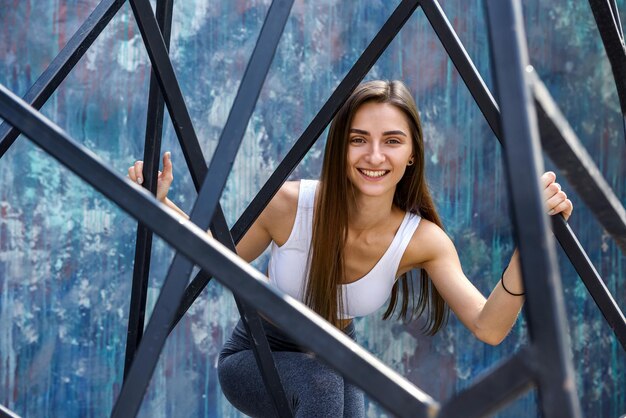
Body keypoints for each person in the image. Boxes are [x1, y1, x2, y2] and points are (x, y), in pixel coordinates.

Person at [127, 80, 573, 417]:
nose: (374, 156)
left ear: (413, 154)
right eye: (359, 139)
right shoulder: (289, 205)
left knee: (333, 391)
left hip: (338, 359)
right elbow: (212, 257)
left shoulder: (421, 240)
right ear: (342, 148)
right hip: (256, 355)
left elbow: (489, 327)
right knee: (323, 388)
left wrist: (527, 247)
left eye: (392, 141)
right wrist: (164, 206)